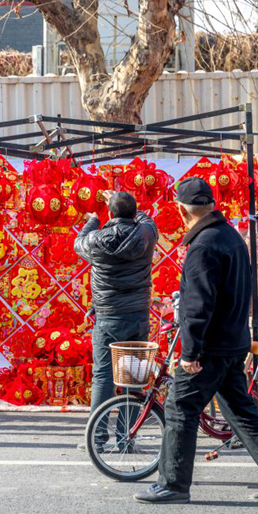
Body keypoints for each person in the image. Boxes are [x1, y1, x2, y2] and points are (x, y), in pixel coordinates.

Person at [134, 177, 258, 505]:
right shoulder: (230, 237)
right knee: (239, 408)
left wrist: (191, 351)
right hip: (232, 341)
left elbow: (198, 304)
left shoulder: (204, 245)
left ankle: (173, 484)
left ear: (183, 211)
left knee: (180, 407)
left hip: (211, 347)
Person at [74, 191, 158, 448]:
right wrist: (130, 209)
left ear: (110, 214)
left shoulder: (97, 240)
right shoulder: (145, 234)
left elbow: (79, 242)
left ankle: (97, 439)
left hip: (108, 316)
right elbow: (148, 221)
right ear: (134, 214)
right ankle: (126, 437)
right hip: (137, 316)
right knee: (134, 377)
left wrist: (92, 219)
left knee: (103, 376)